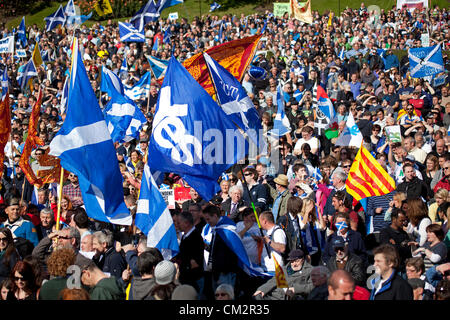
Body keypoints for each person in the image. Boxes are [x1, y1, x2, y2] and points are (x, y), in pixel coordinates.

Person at [174, 211, 204, 295]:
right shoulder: (185, 236)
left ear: (186, 223)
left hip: (193, 280)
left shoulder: (196, 238)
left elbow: (195, 262)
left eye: (179, 222)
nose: (177, 224)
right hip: (186, 278)